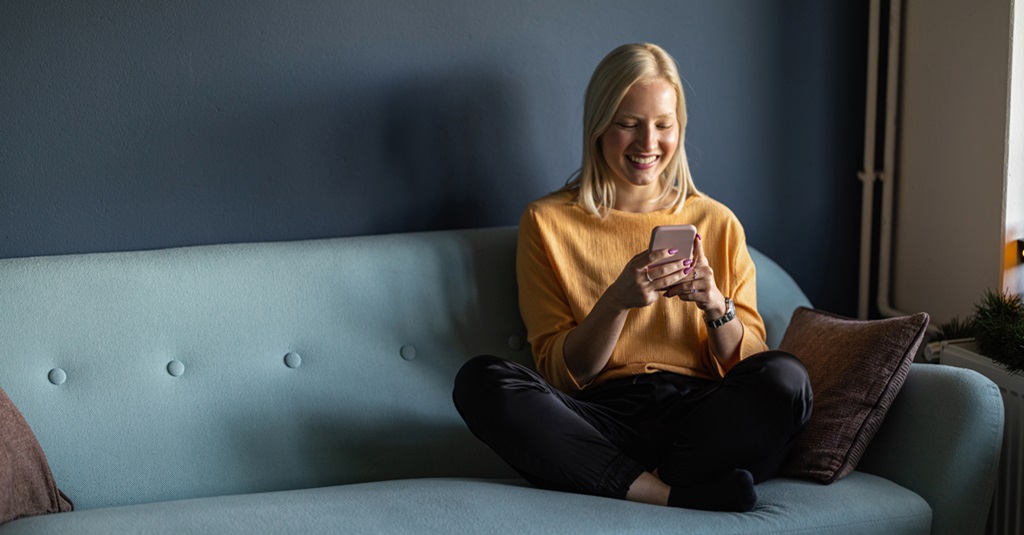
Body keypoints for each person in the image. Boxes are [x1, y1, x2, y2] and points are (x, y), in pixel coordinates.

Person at [452, 43, 812, 512]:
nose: (648, 143)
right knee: (481, 381)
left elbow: (750, 366)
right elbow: (562, 374)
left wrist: (715, 307)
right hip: (603, 418)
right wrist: (616, 301)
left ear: (679, 128)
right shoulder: (546, 222)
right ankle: (666, 495)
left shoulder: (718, 222)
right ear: (599, 125)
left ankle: (624, 482)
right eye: (628, 124)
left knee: (787, 376)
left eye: (663, 125)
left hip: (702, 419)